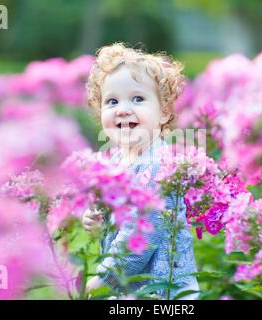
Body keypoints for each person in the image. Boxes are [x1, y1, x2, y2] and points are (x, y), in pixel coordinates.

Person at [83, 43, 199, 299]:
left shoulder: (159, 164)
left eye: (138, 99)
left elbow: (145, 229)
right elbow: (116, 219)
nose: (123, 108)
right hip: (129, 289)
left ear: (164, 112)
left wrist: (105, 278)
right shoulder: (114, 162)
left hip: (163, 291)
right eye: (112, 101)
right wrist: (95, 221)